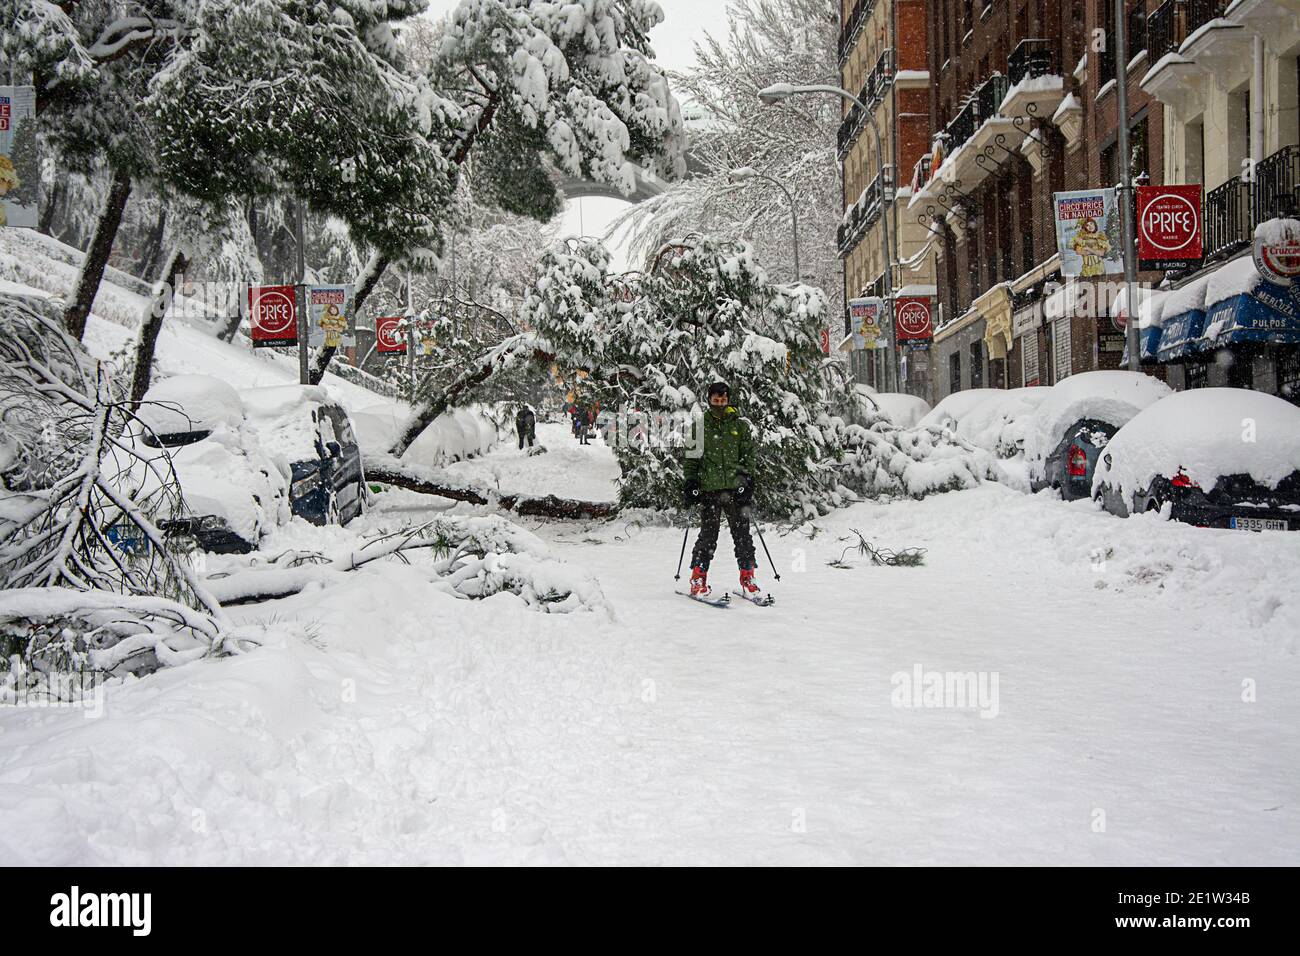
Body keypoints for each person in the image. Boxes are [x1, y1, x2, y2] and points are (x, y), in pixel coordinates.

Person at [682, 381, 761, 598]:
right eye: (716, 400)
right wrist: (691, 483)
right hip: (710, 490)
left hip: (736, 490)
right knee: (708, 536)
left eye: (723, 400)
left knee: (743, 535)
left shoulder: (740, 426)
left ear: (728, 400)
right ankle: (698, 576)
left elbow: (748, 456)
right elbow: (691, 460)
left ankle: (748, 576)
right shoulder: (700, 427)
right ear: (709, 400)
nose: (720, 404)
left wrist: (747, 480)